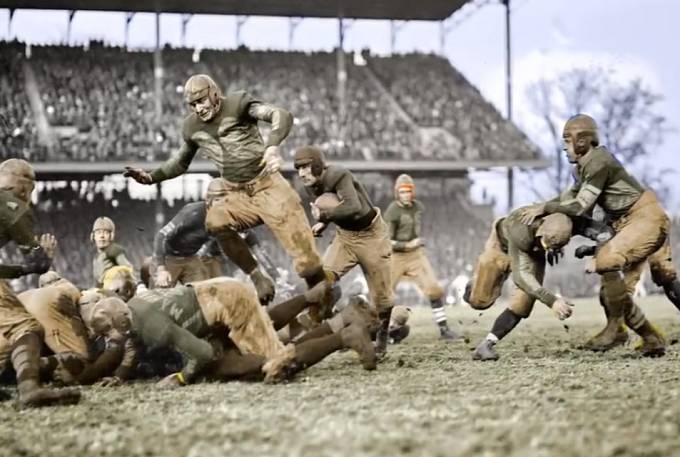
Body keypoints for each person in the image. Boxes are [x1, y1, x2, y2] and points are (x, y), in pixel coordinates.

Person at [123, 74, 332, 313]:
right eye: (193, 105)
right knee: (215, 220)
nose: (199, 108)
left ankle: (323, 304)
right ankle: (257, 277)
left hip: (267, 185)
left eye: (201, 101)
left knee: (307, 263)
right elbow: (180, 163)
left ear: (213, 93)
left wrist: (273, 145)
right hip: (236, 192)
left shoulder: (237, 103)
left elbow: (280, 115)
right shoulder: (191, 127)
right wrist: (151, 177)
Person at [518, 114, 673, 356]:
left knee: (618, 264)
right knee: (610, 294)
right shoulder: (583, 168)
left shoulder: (598, 161)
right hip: (629, 223)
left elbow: (580, 206)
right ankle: (651, 339)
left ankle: (616, 329)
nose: (564, 146)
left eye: (567, 140)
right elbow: (569, 201)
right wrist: (548, 217)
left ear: (582, 141)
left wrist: (547, 208)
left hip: (644, 219)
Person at [294, 146, 395, 357]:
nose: (301, 173)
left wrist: (324, 218)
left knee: (383, 302)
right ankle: (327, 319)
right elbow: (337, 210)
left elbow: (353, 207)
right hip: (345, 236)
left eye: (305, 167)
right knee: (323, 280)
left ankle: (382, 342)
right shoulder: (311, 185)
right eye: (298, 168)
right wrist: (325, 224)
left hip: (371, 237)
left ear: (317, 164)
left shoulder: (338, 174)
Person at [0, 158, 80, 408]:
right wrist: (43, 257)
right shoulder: (13, 206)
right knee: (26, 328)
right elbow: (37, 261)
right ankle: (30, 388)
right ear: (25, 188)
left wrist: (23, 269)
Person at [465, 208, 577, 360]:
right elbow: (521, 277)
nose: (549, 249)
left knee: (522, 304)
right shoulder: (521, 230)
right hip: (502, 247)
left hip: (532, 253)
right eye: (547, 244)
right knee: (479, 301)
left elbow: (597, 229)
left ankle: (486, 345)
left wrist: (594, 252)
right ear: (540, 230)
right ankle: (473, 284)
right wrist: (553, 301)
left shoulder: (569, 222)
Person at [384, 174, 460, 340]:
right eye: (402, 191)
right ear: (397, 192)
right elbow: (386, 241)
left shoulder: (418, 207)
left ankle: (444, 329)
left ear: (413, 192)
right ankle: (381, 333)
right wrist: (407, 245)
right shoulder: (392, 211)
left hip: (416, 255)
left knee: (434, 289)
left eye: (409, 191)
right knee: (385, 295)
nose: (406, 195)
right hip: (397, 256)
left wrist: (417, 243)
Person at [91, 216, 133, 288]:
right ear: (93, 236)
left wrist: (113, 275)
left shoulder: (114, 250)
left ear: (111, 236)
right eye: (98, 232)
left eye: (106, 232)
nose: (102, 236)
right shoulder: (96, 257)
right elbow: (98, 282)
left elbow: (128, 269)